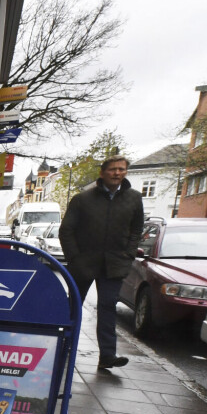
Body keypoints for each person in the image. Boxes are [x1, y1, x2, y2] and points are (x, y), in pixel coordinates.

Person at [59, 156, 144, 370]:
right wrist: (74, 258)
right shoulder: (82, 199)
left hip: (115, 264)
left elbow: (136, 230)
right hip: (84, 263)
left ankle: (107, 355)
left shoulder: (134, 198)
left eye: (122, 169)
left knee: (108, 307)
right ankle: (64, 347)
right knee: (73, 307)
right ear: (102, 172)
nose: (117, 173)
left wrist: (128, 255)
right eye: (113, 169)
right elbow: (66, 230)